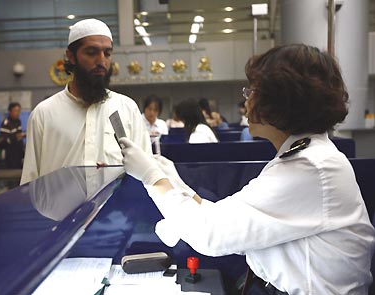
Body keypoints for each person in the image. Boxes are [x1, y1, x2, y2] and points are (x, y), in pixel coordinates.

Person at [118, 44, 375, 294]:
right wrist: (176, 184)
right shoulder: (306, 159)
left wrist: (152, 178)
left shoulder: (311, 168)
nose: (247, 100)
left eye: (254, 91)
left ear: (283, 101)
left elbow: (210, 233)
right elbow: (229, 220)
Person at [21, 18, 151, 184]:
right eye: (91, 53)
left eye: (107, 53)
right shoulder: (44, 114)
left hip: (116, 210)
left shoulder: (127, 109)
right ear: (71, 57)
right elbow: (30, 183)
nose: (101, 61)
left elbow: (147, 175)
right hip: (61, 210)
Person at [0, 102, 25, 169]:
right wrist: (15, 137)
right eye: (15, 111)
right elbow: (4, 140)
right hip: (9, 151)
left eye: (19, 111)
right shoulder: (5, 123)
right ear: (10, 111)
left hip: (18, 150)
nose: (17, 113)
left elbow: (19, 134)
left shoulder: (18, 121)